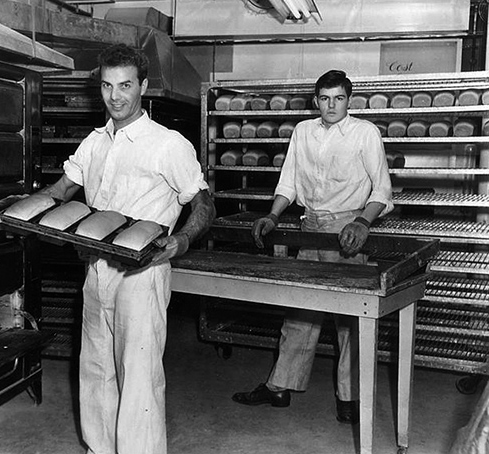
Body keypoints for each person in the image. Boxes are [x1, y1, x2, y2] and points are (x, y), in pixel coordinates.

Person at [38, 44, 215, 454]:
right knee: (96, 367)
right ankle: (99, 448)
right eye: (107, 86)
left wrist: (181, 240)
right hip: (96, 268)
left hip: (142, 273)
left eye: (125, 86)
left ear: (143, 87)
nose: (115, 96)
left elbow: (202, 201)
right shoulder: (95, 142)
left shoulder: (167, 144)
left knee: (138, 374)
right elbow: (63, 189)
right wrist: (24, 209)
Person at [231, 69, 393, 425]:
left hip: (348, 231)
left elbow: (382, 190)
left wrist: (362, 222)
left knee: (351, 317)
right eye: (324, 98)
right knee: (300, 311)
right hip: (310, 227)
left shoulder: (365, 133)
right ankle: (279, 388)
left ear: (349, 100)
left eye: (338, 98)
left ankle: (349, 398)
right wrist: (273, 216)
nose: (331, 105)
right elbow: (288, 181)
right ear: (315, 100)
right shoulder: (303, 131)